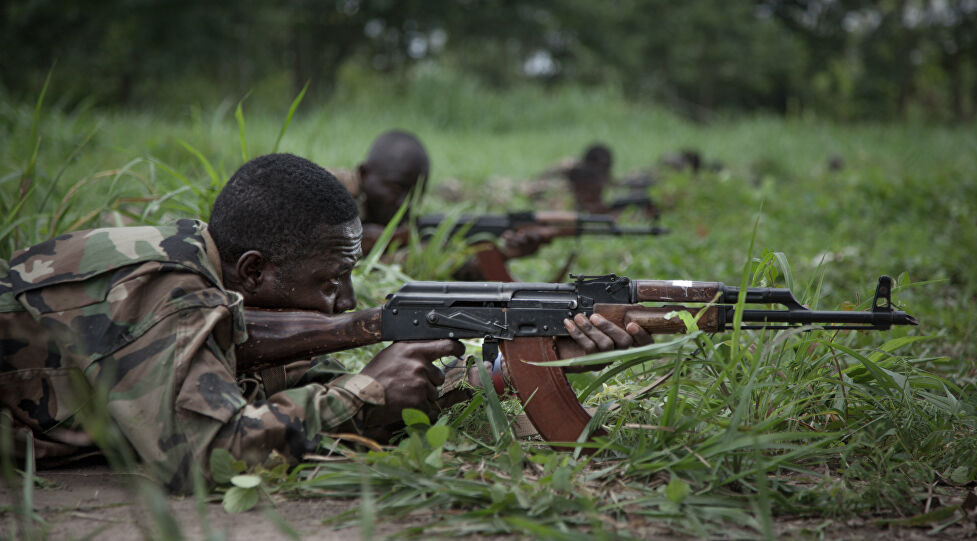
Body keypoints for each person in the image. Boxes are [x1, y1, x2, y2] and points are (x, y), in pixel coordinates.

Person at [0, 153, 648, 492]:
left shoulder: (209, 272)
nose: (343, 304)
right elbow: (204, 457)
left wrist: (519, 366)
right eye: (330, 280)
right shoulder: (167, 290)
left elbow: (304, 389)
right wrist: (364, 391)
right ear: (255, 272)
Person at [331, 130, 546, 272]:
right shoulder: (332, 190)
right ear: (364, 173)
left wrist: (506, 254)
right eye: (396, 189)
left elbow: (447, 268)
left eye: (415, 195)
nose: (405, 204)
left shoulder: (410, 229)